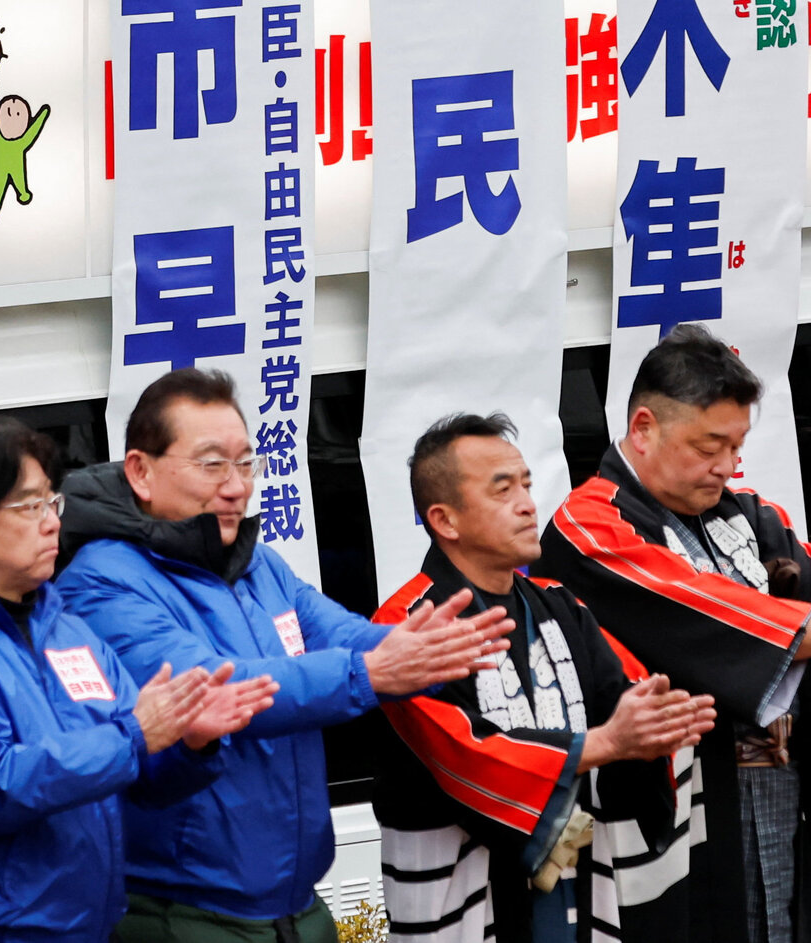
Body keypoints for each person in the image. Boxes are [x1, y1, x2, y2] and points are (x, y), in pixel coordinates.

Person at [57, 368, 514, 943]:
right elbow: (216, 686)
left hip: (294, 904)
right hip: (186, 913)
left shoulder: (256, 562)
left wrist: (423, 648)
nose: (236, 486)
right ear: (140, 471)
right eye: (212, 465)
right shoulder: (102, 580)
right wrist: (371, 672)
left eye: (246, 463)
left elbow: (340, 634)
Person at [0, 418, 278, 943]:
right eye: (30, 507)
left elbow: (138, 774)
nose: (52, 523)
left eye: (53, 503)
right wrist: (135, 735)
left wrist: (189, 743)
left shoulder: (68, 630)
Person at [375, 412, 714, 942]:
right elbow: (463, 753)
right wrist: (605, 743)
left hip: (573, 879)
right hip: (466, 890)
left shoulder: (560, 605)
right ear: (445, 520)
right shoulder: (403, 626)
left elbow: (623, 695)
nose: (528, 504)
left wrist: (655, 726)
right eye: (502, 490)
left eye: (527, 486)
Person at [543, 327, 811, 943]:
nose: (726, 466)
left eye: (736, 446)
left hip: (775, 788)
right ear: (643, 428)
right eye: (709, 445)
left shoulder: (746, 513)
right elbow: (719, 618)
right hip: (668, 812)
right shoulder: (589, 524)